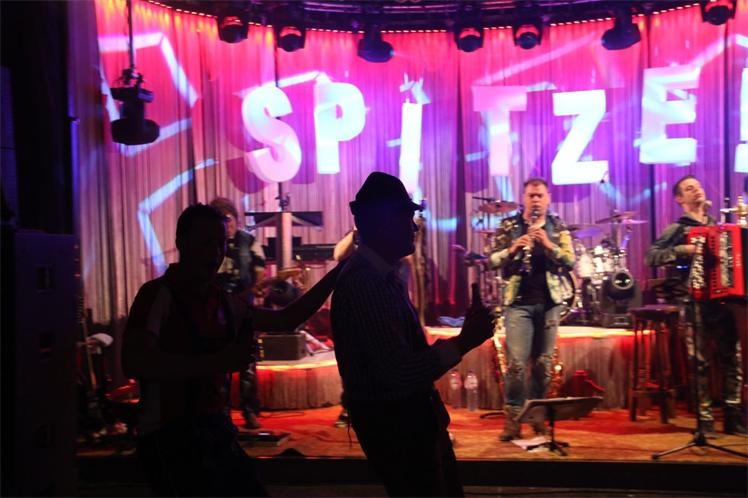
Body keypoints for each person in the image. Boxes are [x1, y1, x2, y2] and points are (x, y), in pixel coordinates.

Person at [123, 203, 343, 497]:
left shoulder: (221, 299)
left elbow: (284, 320)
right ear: (181, 243)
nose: (215, 253)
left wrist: (338, 273)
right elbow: (135, 362)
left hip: (214, 426)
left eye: (220, 244)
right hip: (168, 434)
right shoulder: (157, 295)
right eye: (205, 243)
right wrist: (218, 362)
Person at [331, 172, 493, 497]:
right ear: (383, 224)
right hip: (395, 425)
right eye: (407, 218)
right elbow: (400, 372)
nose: (414, 228)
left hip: (406, 421)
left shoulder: (382, 275)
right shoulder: (366, 283)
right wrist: (464, 342)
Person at [645, 175, 746, 437]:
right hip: (693, 301)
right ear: (680, 199)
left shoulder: (719, 227)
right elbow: (651, 256)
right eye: (690, 189)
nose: (697, 190)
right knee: (699, 362)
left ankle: (733, 417)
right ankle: (705, 420)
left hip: (722, 299)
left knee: (732, 358)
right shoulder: (678, 229)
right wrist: (683, 251)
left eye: (698, 186)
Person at [489, 177, 575, 442]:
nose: (536, 200)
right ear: (523, 198)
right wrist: (514, 247)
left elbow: (570, 260)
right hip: (519, 303)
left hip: (549, 303)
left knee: (543, 364)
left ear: (548, 199)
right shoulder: (509, 225)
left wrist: (548, 245)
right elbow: (492, 259)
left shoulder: (557, 226)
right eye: (531, 196)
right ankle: (513, 419)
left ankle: (538, 417)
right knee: (516, 364)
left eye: (540, 196)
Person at [209, 197, 266, 429]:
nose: (227, 225)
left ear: (235, 219)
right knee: (218, 364)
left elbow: (259, 270)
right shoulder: (209, 245)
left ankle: (249, 410)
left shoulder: (248, 241)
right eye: (222, 221)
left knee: (247, 362)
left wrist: (258, 287)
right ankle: (220, 413)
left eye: (229, 219)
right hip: (215, 312)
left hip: (244, 309)